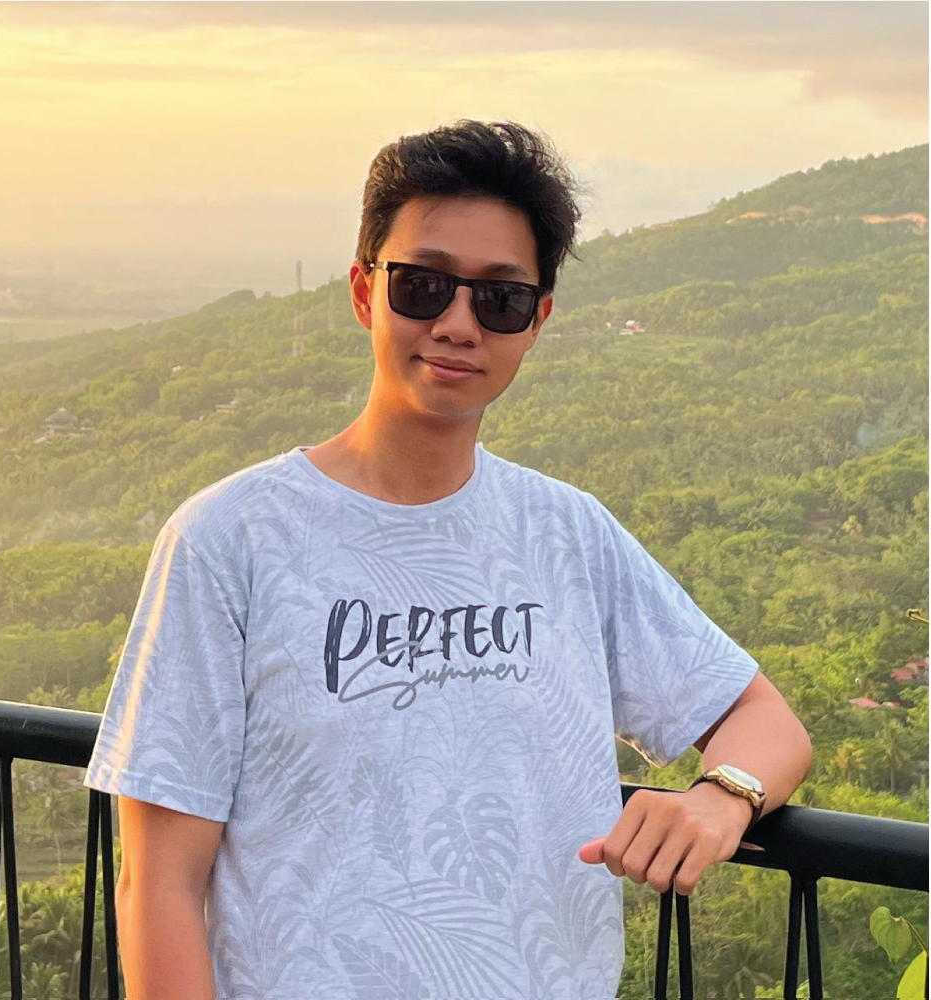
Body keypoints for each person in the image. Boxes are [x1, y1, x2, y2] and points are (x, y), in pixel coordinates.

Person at [83, 118, 812, 1000]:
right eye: (424, 287)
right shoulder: (228, 541)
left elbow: (764, 721)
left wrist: (719, 798)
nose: (458, 325)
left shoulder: (566, 533)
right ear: (365, 291)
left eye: (500, 299)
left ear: (536, 322)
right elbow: (159, 882)